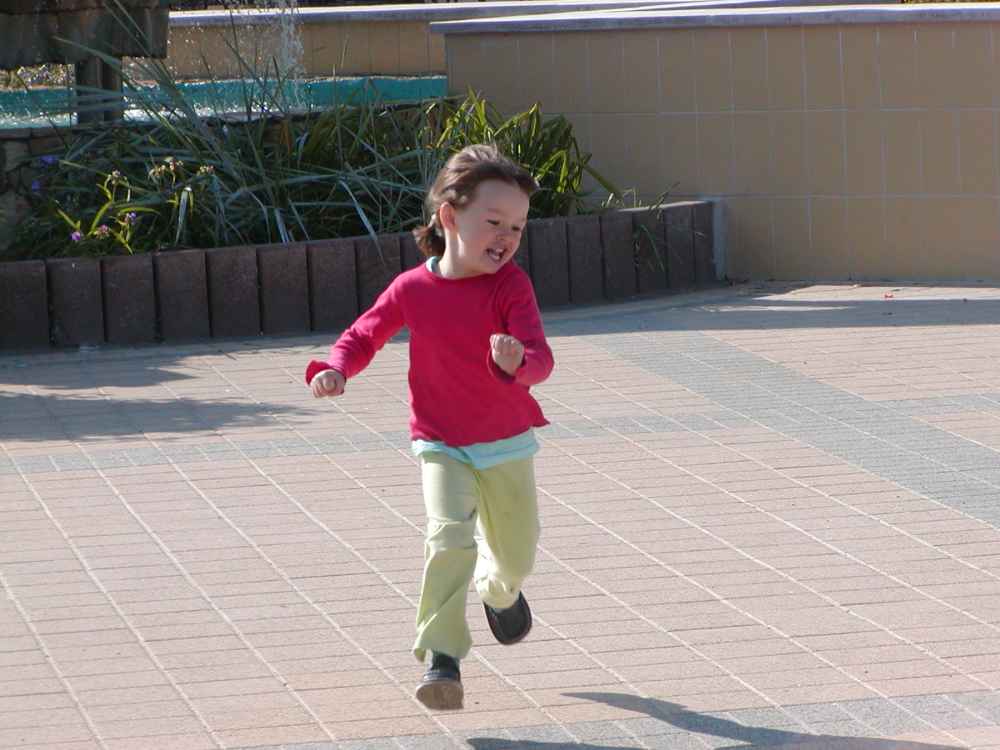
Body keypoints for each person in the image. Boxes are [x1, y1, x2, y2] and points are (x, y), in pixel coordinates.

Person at [305, 144, 555, 711]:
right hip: (441, 443)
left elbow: (541, 361)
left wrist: (518, 362)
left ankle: (499, 592)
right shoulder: (412, 289)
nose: (507, 237)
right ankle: (442, 657)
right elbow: (364, 334)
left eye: (517, 227)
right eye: (494, 222)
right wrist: (335, 368)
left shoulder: (511, 287)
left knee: (516, 555)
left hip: (507, 443)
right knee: (447, 538)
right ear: (449, 217)